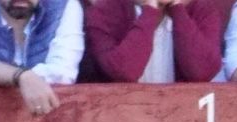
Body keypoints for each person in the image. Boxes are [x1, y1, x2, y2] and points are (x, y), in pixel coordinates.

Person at [0, 0, 83, 115]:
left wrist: (25, 79)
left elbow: (63, 71)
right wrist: (22, 77)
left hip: (49, 119)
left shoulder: (63, 6)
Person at [83, 0, 224, 82]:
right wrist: (150, 11)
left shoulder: (201, 9)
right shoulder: (106, 11)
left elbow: (202, 72)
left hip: (183, 116)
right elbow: (124, 72)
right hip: (120, 115)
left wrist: (178, 10)